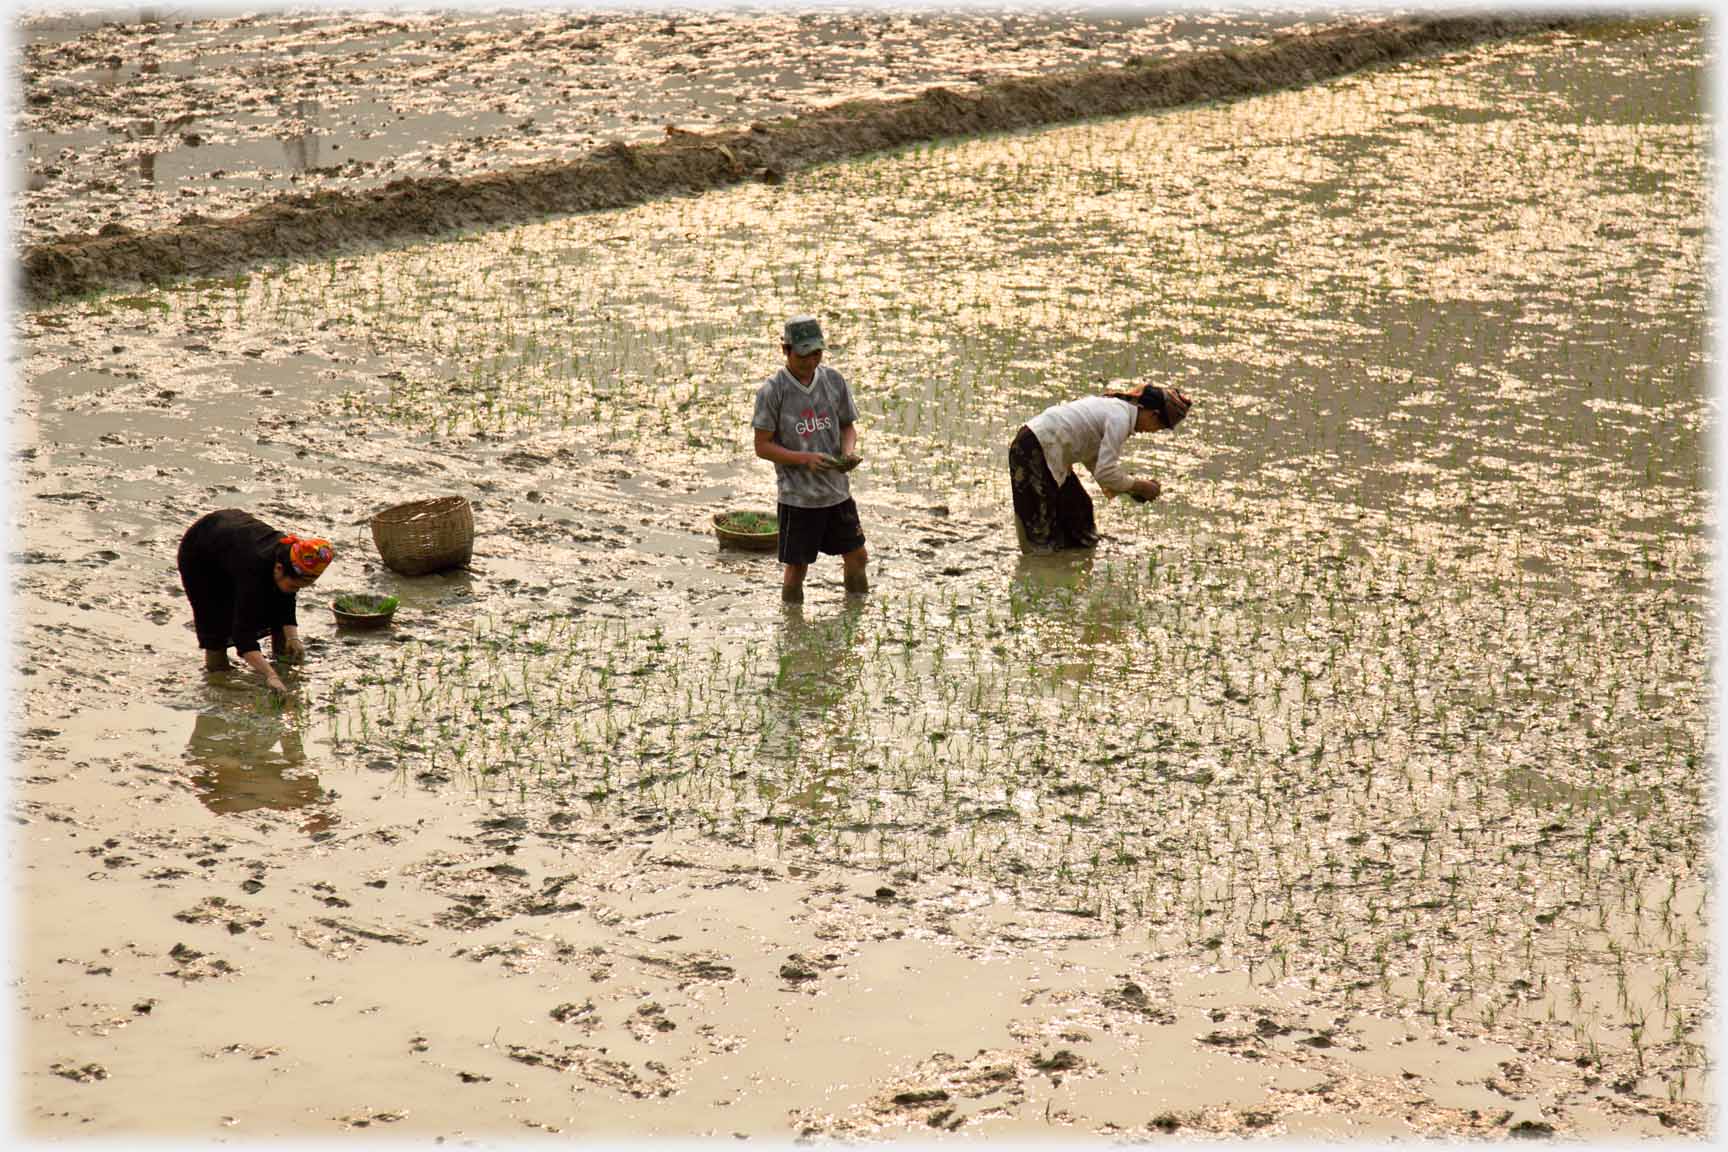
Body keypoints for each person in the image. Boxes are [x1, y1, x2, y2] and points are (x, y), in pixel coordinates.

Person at [751, 315, 868, 602]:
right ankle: (792, 624)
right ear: (786, 350)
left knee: (858, 556)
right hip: (798, 498)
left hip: (837, 492)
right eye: (803, 354)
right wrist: (805, 459)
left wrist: (848, 452)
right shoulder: (773, 391)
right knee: (797, 567)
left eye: (816, 353)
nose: (810, 361)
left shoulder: (833, 381)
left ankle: (857, 613)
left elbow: (846, 426)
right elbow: (762, 446)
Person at [1010, 383, 1192, 552]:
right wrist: (1139, 486)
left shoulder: (1116, 410)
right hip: (1035, 449)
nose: (1154, 432)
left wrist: (1129, 489)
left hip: (1047, 449)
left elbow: (1095, 461)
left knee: (1079, 515)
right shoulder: (1120, 418)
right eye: (1159, 427)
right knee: (1039, 532)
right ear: (1152, 414)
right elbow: (1105, 472)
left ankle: (1072, 562)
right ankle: (1041, 571)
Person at [176, 509, 334, 693]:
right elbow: (243, 637)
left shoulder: (292, 557)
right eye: (293, 586)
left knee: (278, 603)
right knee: (215, 627)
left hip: (235, 539)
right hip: (202, 552)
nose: (295, 591)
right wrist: (271, 676)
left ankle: (283, 659)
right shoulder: (254, 572)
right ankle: (217, 682)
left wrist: (293, 638)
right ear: (278, 568)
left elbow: (286, 600)